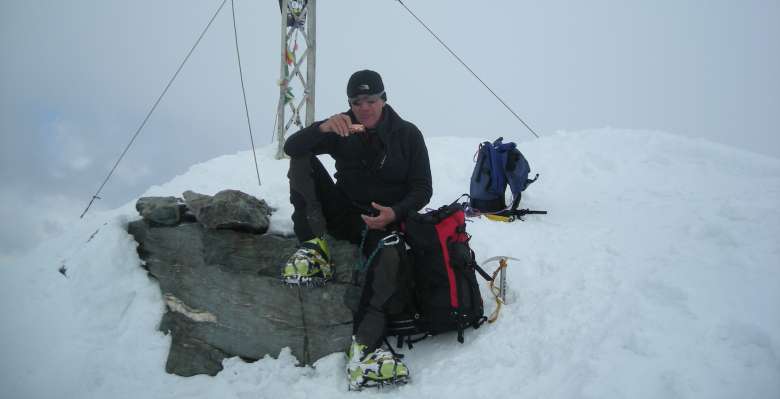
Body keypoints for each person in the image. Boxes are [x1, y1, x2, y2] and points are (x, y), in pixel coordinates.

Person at [282, 69, 432, 389]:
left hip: (383, 221)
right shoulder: (341, 128)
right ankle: (313, 248)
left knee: (389, 253)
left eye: (371, 100)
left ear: (384, 99)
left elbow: (422, 189)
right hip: (344, 213)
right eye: (357, 101)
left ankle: (364, 348)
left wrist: (395, 212)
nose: (364, 107)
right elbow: (292, 147)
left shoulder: (407, 134)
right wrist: (321, 127)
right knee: (302, 160)